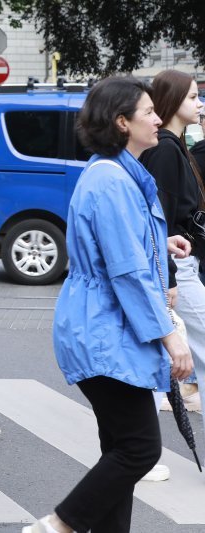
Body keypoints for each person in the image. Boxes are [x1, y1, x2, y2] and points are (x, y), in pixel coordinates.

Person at [23, 76, 194, 533]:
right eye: (148, 113)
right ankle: (57, 525)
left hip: (105, 328)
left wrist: (162, 238)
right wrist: (171, 336)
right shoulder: (111, 181)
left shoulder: (117, 173)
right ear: (122, 122)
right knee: (139, 450)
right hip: (106, 332)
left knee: (120, 448)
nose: (159, 119)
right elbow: (128, 272)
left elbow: (124, 248)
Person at [139, 69, 205, 424]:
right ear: (174, 101)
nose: (199, 103)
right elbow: (159, 219)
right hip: (179, 265)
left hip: (181, 264)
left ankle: (136, 448)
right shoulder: (165, 149)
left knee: (162, 351)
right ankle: (136, 449)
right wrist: (172, 277)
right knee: (163, 351)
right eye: (193, 97)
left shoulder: (175, 146)